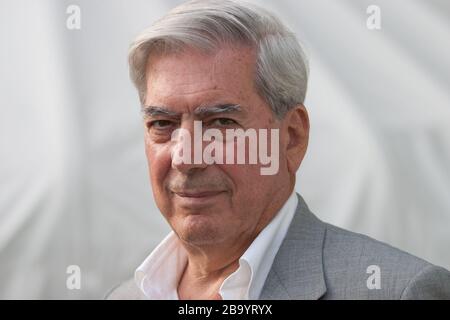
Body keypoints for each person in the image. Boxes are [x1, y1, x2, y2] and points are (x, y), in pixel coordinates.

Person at [107, 0, 450, 299]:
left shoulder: (398, 291)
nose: (187, 157)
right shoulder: (128, 296)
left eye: (221, 124)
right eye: (162, 124)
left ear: (291, 137)